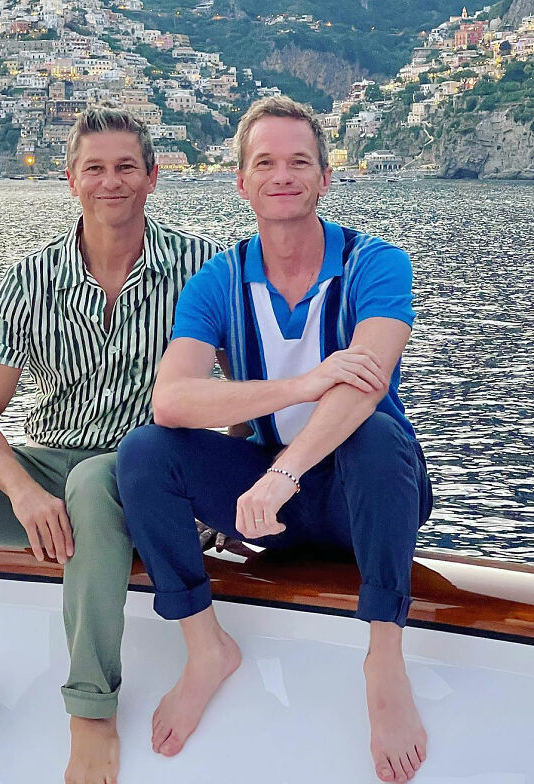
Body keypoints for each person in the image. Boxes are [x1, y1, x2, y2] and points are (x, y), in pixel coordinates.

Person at [0, 104, 221, 784]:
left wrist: (227, 498)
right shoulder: (30, 280)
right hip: (49, 463)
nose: (112, 181)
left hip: (143, 475)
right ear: (70, 179)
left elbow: (251, 386)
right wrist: (19, 489)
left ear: (154, 177)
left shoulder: (201, 267)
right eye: (94, 168)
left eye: (127, 166)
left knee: (95, 483)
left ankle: (91, 712)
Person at [117, 96, 433, 784]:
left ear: (325, 177)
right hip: (272, 505)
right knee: (142, 451)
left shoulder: (376, 264)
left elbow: (367, 380)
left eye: (299, 161)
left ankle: (384, 657)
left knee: (376, 433)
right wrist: (300, 384)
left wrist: (283, 472)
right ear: (242, 182)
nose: (281, 175)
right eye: (265, 162)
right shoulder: (218, 282)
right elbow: (172, 399)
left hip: (368, 504)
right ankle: (205, 647)